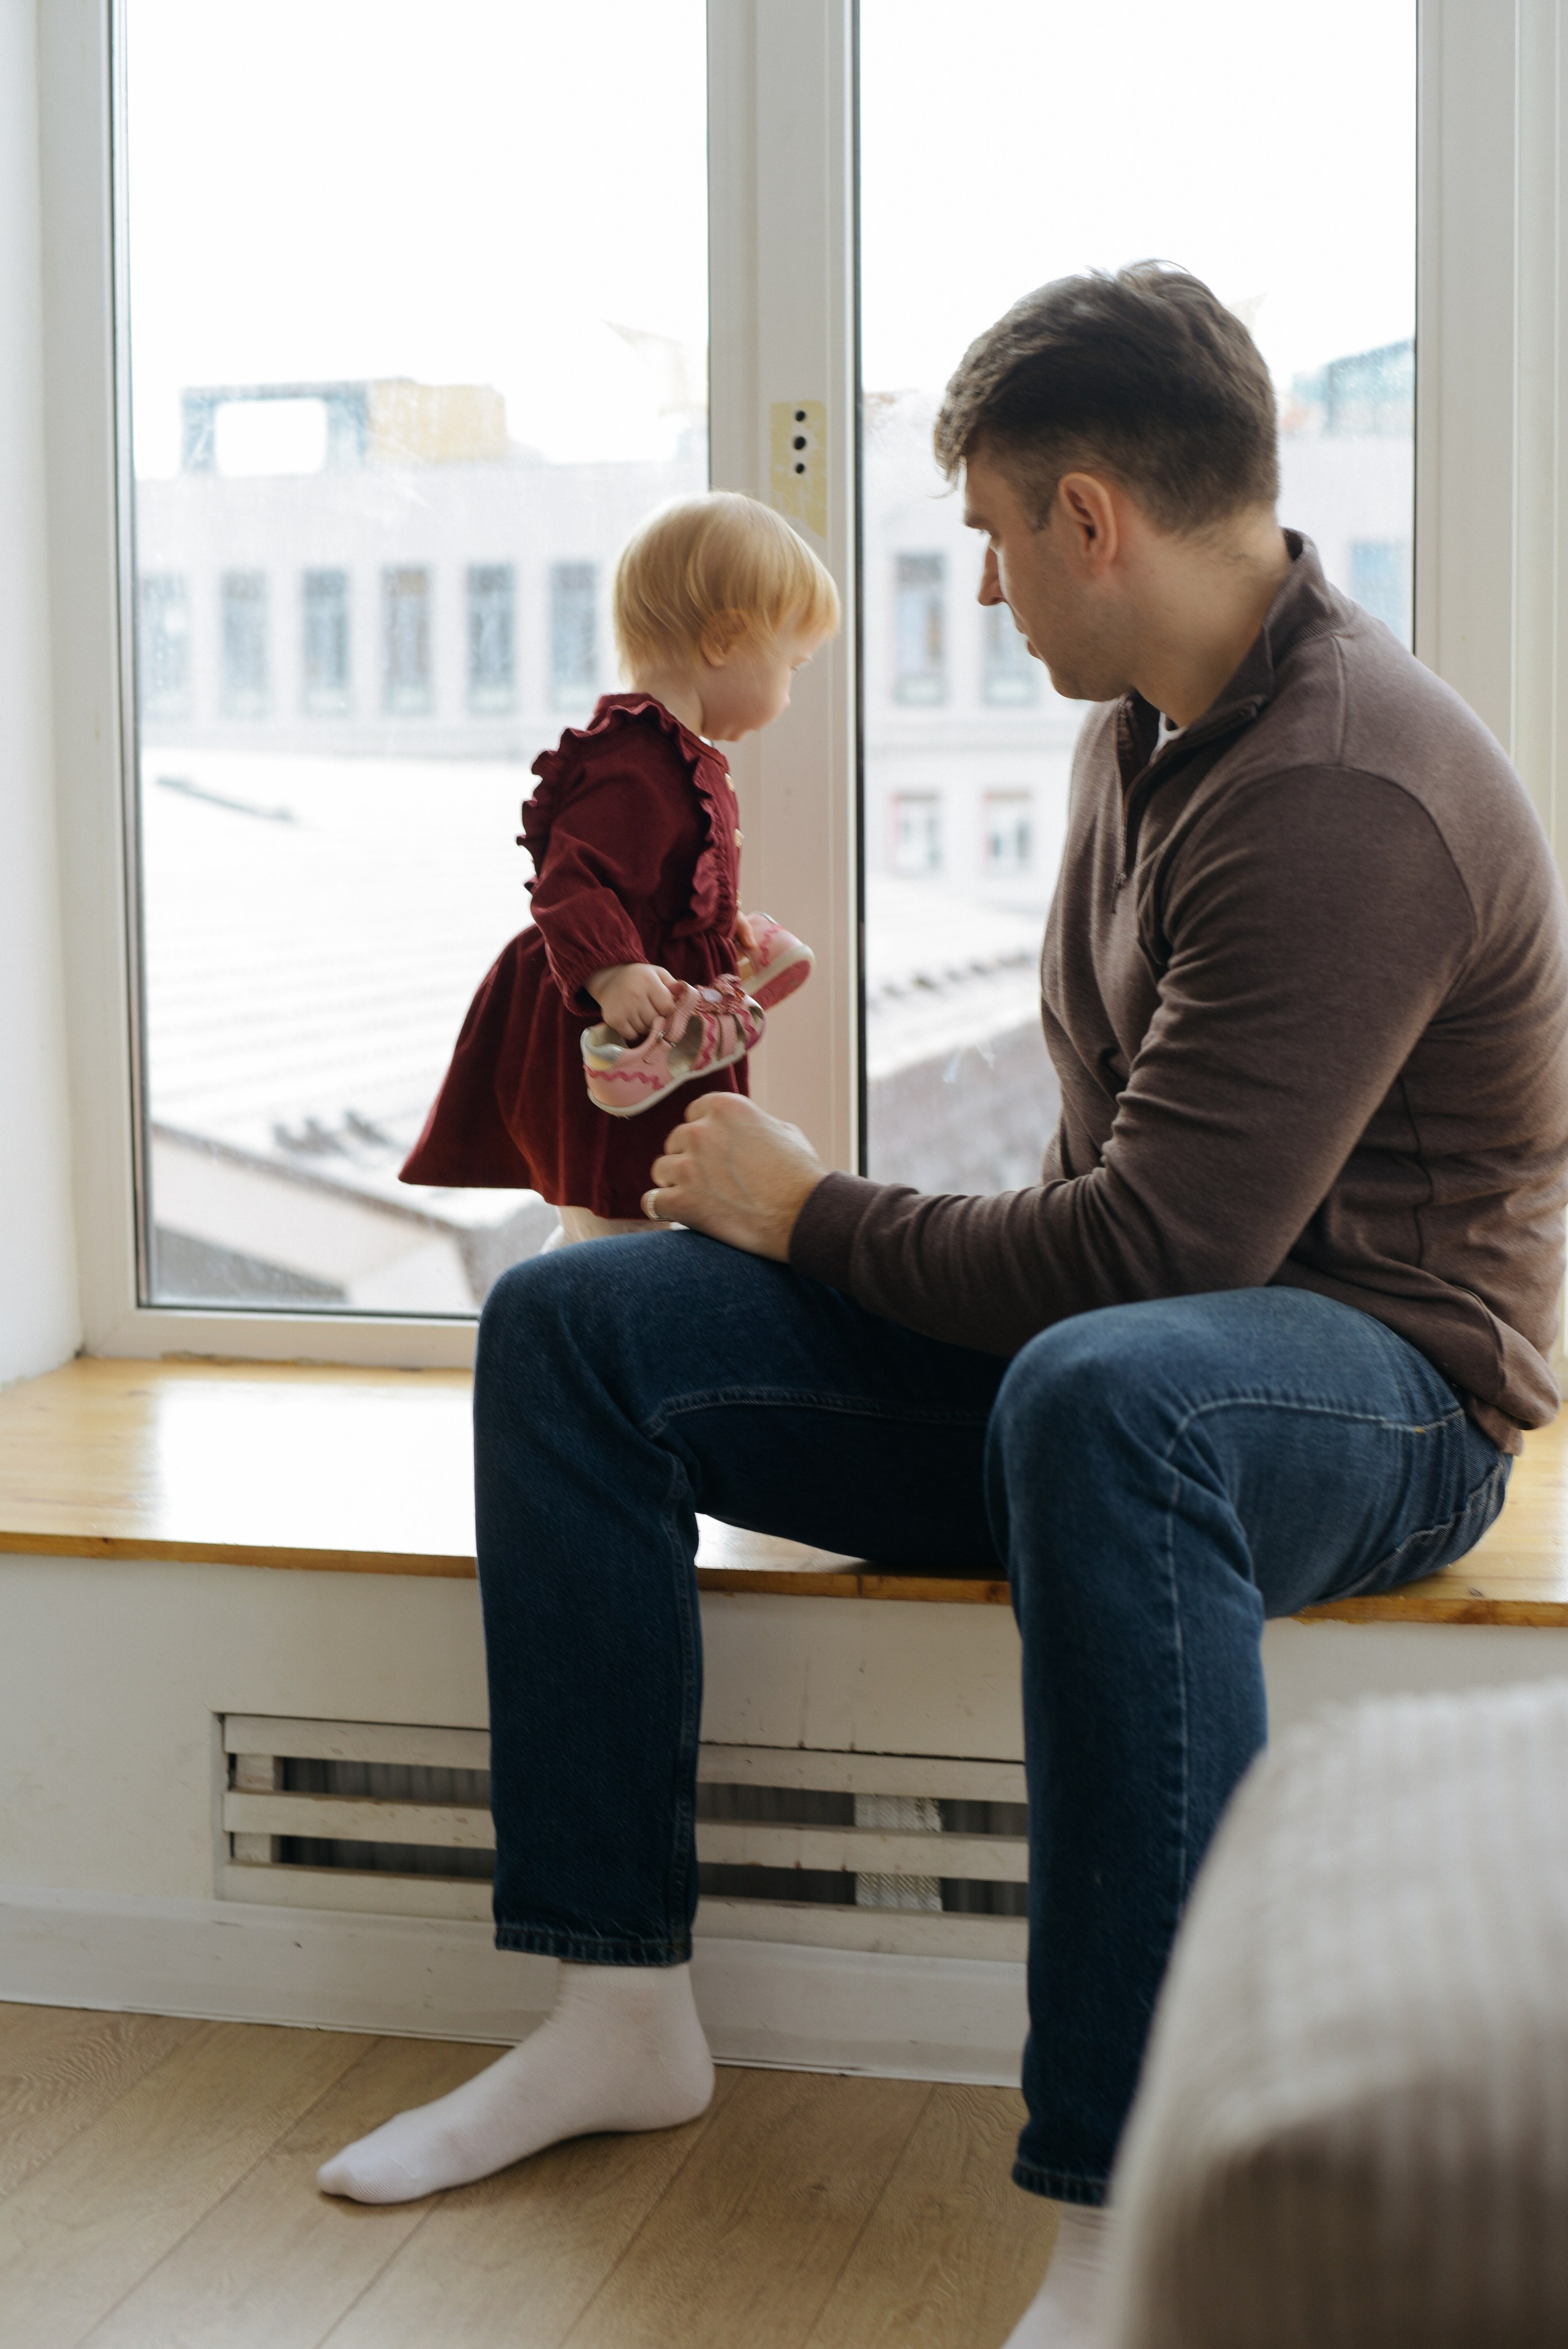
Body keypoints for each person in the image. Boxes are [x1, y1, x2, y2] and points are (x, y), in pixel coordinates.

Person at [320, 265, 1568, 2348]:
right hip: (1134, 1370)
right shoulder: (1144, 734)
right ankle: (618, 2000)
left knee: (1110, 1396)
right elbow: (1107, 1215)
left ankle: (1121, 2207)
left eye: (989, 535)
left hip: (1388, 1398)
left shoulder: (1351, 785)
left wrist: (812, 1213)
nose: (983, 589)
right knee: (579, 1329)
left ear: (1093, 515)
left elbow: (1165, 1259)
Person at [399, 491, 836, 1240]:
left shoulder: (676, 752)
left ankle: (587, 1286)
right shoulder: (632, 757)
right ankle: (579, 1303)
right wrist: (611, 973)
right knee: (617, 1192)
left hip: (661, 1009)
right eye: (789, 667)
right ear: (727, 640)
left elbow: (652, 872)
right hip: (608, 1012)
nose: (789, 697)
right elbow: (570, 880)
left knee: (653, 1186)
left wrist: (712, 920)